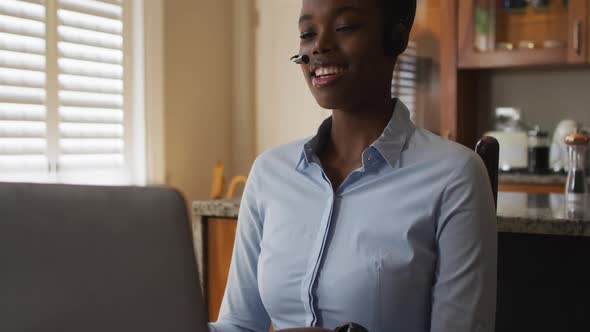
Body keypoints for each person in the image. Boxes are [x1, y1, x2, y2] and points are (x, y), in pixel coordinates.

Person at [209, 0, 497, 331]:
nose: (319, 46)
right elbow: (240, 324)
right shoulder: (269, 173)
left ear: (396, 37)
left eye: (344, 27)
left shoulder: (454, 176)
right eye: (307, 33)